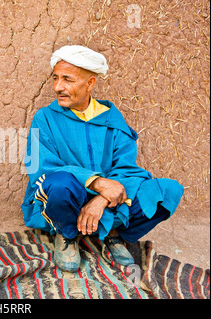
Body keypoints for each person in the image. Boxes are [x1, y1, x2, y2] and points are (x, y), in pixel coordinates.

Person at [21, 45, 184, 272]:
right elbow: (40, 168)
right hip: (68, 200)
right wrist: (97, 182)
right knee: (58, 183)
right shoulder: (46, 118)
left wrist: (102, 199)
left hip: (109, 205)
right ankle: (66, 233)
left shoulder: (112, 120)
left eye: (68, 79)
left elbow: (128, 170)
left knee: (167, 191)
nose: (58, 87)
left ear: (90, 83)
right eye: (56, 78)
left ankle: (112, 232)